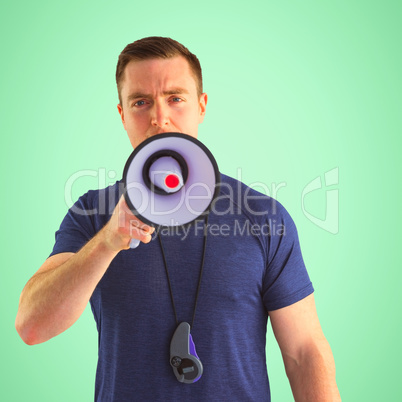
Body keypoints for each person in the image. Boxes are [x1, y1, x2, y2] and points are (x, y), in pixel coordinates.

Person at [15, 37, 341, 401]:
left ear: (201, 106)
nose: (159, 117)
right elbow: (31, 326)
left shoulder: (262, 216)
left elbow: (303, 353)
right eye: (140, 102)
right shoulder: (92, 214)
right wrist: (106, 243)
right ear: (122, 115)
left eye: (175, 98)